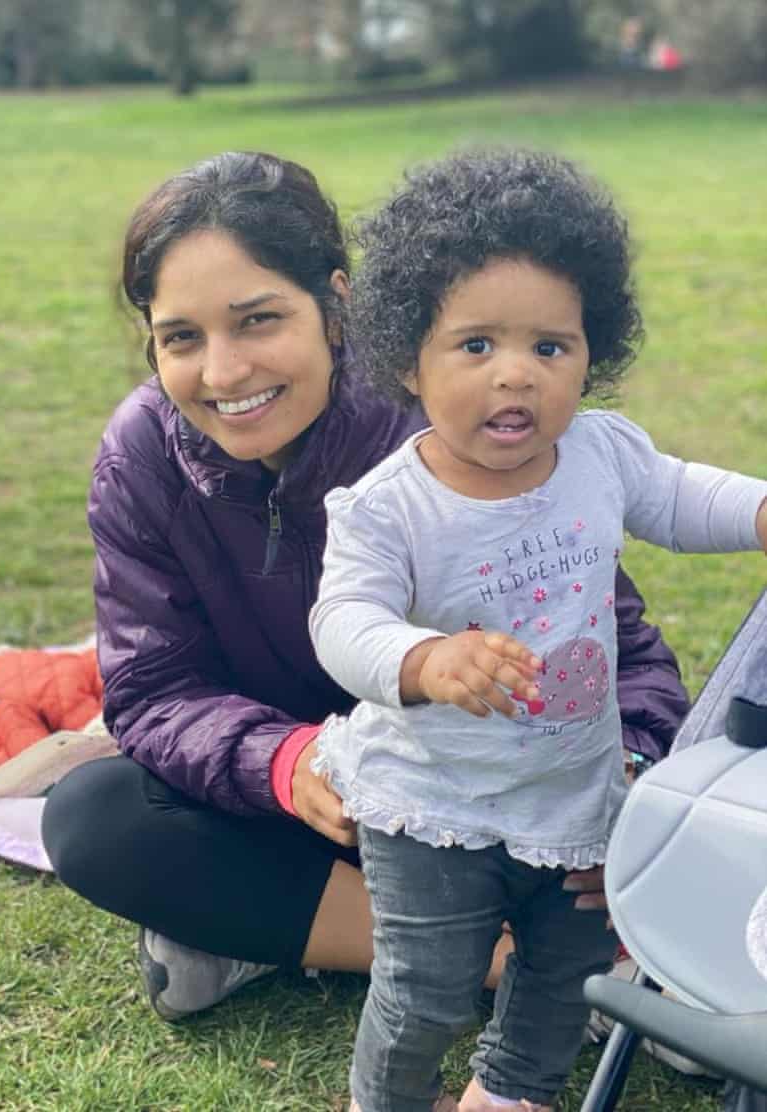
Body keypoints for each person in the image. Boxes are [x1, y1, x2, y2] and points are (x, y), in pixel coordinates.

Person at [40, 151, 690, 1030]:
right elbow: (154, 692)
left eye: (258, 320)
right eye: (181, 337)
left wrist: (629, 779)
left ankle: (271, 936)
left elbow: (620, 649)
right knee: (95, 815)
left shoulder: (455, 423)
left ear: (337, 306)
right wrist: (284, 762)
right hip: (316, 805)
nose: (223, 372)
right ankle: (546, 974)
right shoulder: (142, 455)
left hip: (495, 802)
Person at [307, 147, 767, 1112]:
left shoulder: (599, 455)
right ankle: (385, 1101)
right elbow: (342, 620)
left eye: (549, 348)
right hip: (429, 798)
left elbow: (683, 497)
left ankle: (507, 1094)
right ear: (407, 356)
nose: (515, 375)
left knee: (569, 968)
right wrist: (425, 658)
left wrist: (761, 512)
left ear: (592, 350)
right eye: (476, 346)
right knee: (427, 987)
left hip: (571, 788)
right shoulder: (391, 508)